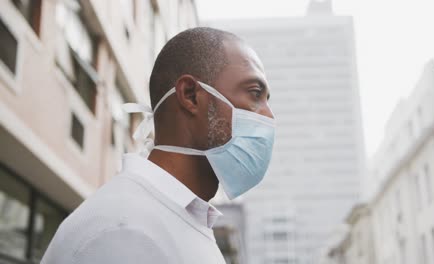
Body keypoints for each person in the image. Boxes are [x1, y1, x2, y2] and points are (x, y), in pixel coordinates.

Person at [41, 27, 275, 264]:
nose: (268, 116)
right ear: (191, 95)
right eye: (255, 93)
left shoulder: (179, 219)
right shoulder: (126, 230)